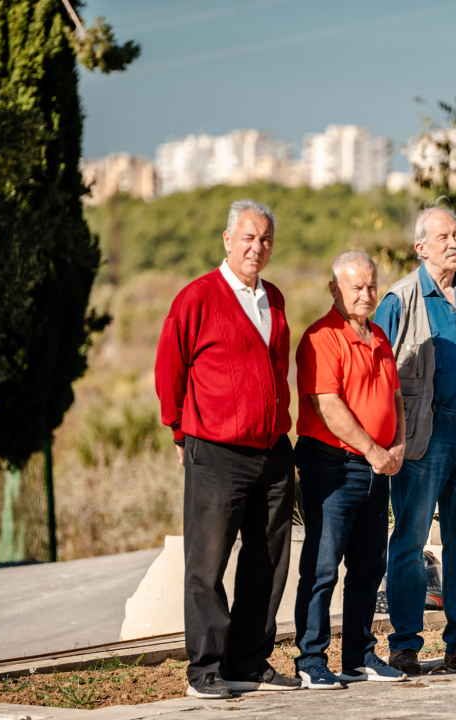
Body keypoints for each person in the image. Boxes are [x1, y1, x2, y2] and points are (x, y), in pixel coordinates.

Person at [154, 199, 300, 698]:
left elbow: (275, 369)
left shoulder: (273, 298)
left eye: (265, 239)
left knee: (268, 563)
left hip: (273, 451)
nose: (257, 247)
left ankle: (249, 662)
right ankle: (206, 669)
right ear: (227, 239)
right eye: (248, 237)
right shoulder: (197, 298)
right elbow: (169, 371)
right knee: (208, 563)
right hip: (216, 451)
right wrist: (180, 431)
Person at [373, 206, 456, 674]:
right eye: (443, 237)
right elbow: (377, 372)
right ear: (421, 247)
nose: (454, 243)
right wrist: (387, 438)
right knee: (409, 541)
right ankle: (404, 646)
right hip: (424, 435)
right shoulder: (399, 299)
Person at [292, 251, 408, 689]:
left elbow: (395, 397)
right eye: (356, 286)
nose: (366, 294)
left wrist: (398, 444)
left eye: (371, 286)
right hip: (333, 465)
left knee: (368, 567)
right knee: (323, 567)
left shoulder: (379, 335)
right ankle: (311, 660)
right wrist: (374, 450)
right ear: (334, 289)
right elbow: (328, 405)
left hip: (377, 467)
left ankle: (359, 656)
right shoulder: (321, 337)